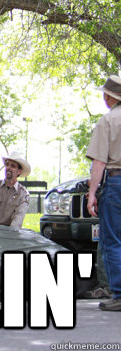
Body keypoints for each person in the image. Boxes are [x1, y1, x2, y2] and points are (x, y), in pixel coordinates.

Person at [86, 74, 121, 312]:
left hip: (117, 183)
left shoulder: (108, 121)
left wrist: (92, 193)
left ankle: (118, 293)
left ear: (109, 97)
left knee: (113, 241)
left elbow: (99, 162)